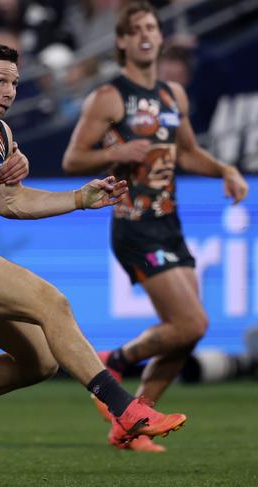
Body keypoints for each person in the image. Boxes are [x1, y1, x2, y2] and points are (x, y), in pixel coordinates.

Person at [0, 41, 187, 472]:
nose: (8, 91)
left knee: (38, 362)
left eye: (14, 83)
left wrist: (80, 197)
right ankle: (125, 408)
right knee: (52, 302)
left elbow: (12, 203)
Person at [61, 1, 248, 452]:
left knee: (187, 333)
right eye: (137, 28)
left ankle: (129, 426)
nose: (147, 34)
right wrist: (116, 154)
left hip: (171, 223)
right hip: (134, 225)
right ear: (122, 41)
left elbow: (186, 153)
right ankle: (113, 362)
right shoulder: (109, 97)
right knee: (191, 322)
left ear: (161, 38)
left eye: (152, 27)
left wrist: (225, 169)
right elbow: (72, 159)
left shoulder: (173, 96)